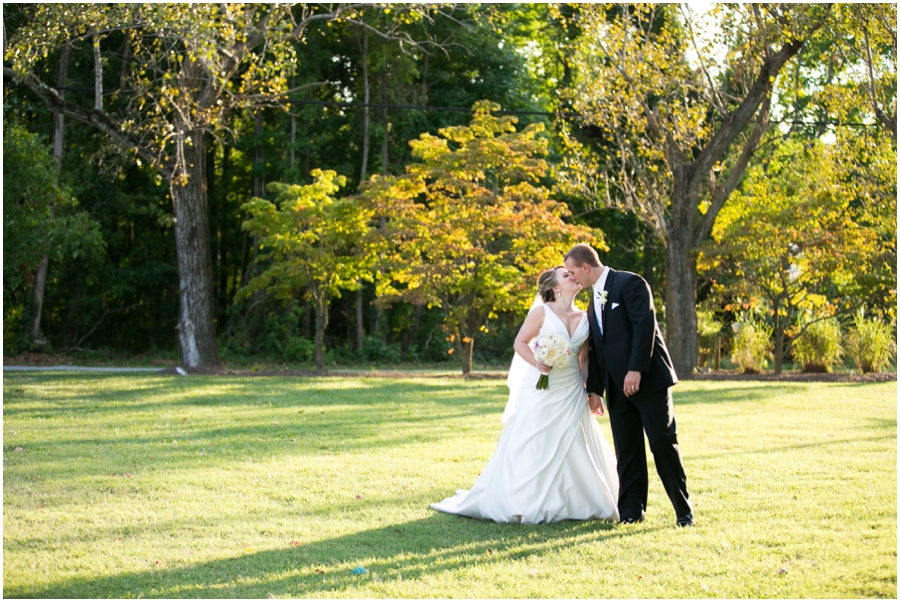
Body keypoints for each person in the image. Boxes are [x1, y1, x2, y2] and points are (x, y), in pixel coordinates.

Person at [430, 266, 620, 524]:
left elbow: (584, 358)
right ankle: (524, 499)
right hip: (542, 385)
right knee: (534, 437)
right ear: (555, 287)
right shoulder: (542, 312)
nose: (573, 277)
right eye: (566, 275)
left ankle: (575, 501)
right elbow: (520, 343)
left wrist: (592, 391)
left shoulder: (585, 316)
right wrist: (538, 362)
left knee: (575, 440)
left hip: (571, 388)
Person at [563, 244, 693, 527]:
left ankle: (683, 512)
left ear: (586, 267)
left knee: (661, 442)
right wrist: (595, 390)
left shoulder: (631, 283)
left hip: (647, 380)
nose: (571, 278)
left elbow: (643, 326)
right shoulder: (591, 302)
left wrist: (636, 369)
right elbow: (599, 348)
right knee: (628, 450)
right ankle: (632, 512)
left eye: (573, 272)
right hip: (616, 388)